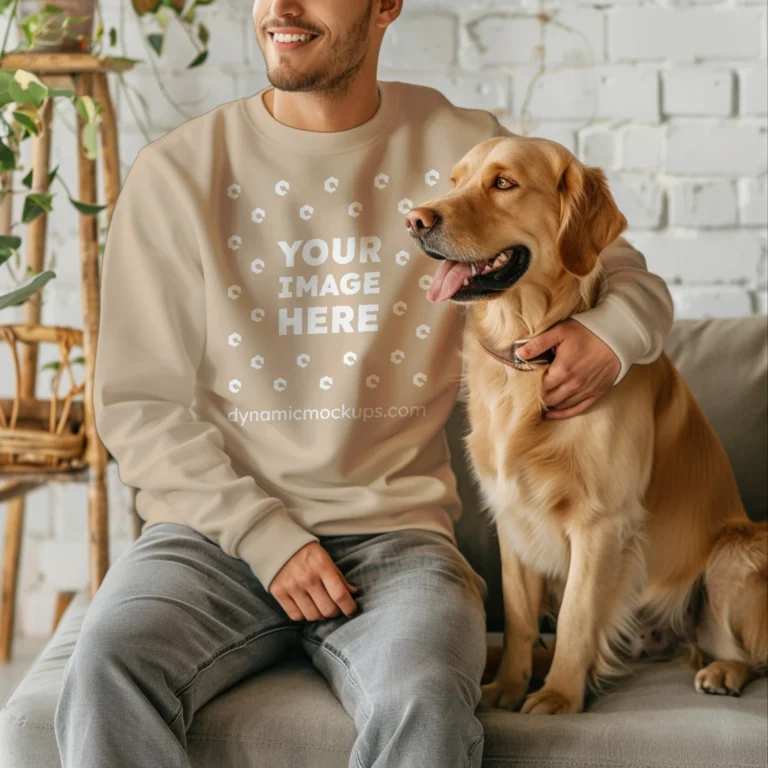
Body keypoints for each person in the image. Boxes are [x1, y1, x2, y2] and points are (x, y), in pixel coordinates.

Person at [53, 1, 674, 766]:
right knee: (106, 667)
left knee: (425, 695)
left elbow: (626, 275)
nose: (281, 8)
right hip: (208, 539)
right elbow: (136, 405)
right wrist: (265, 538)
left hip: (400, 542)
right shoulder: (179, 171)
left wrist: (609, 338)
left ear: (385, 6)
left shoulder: (459, 147)